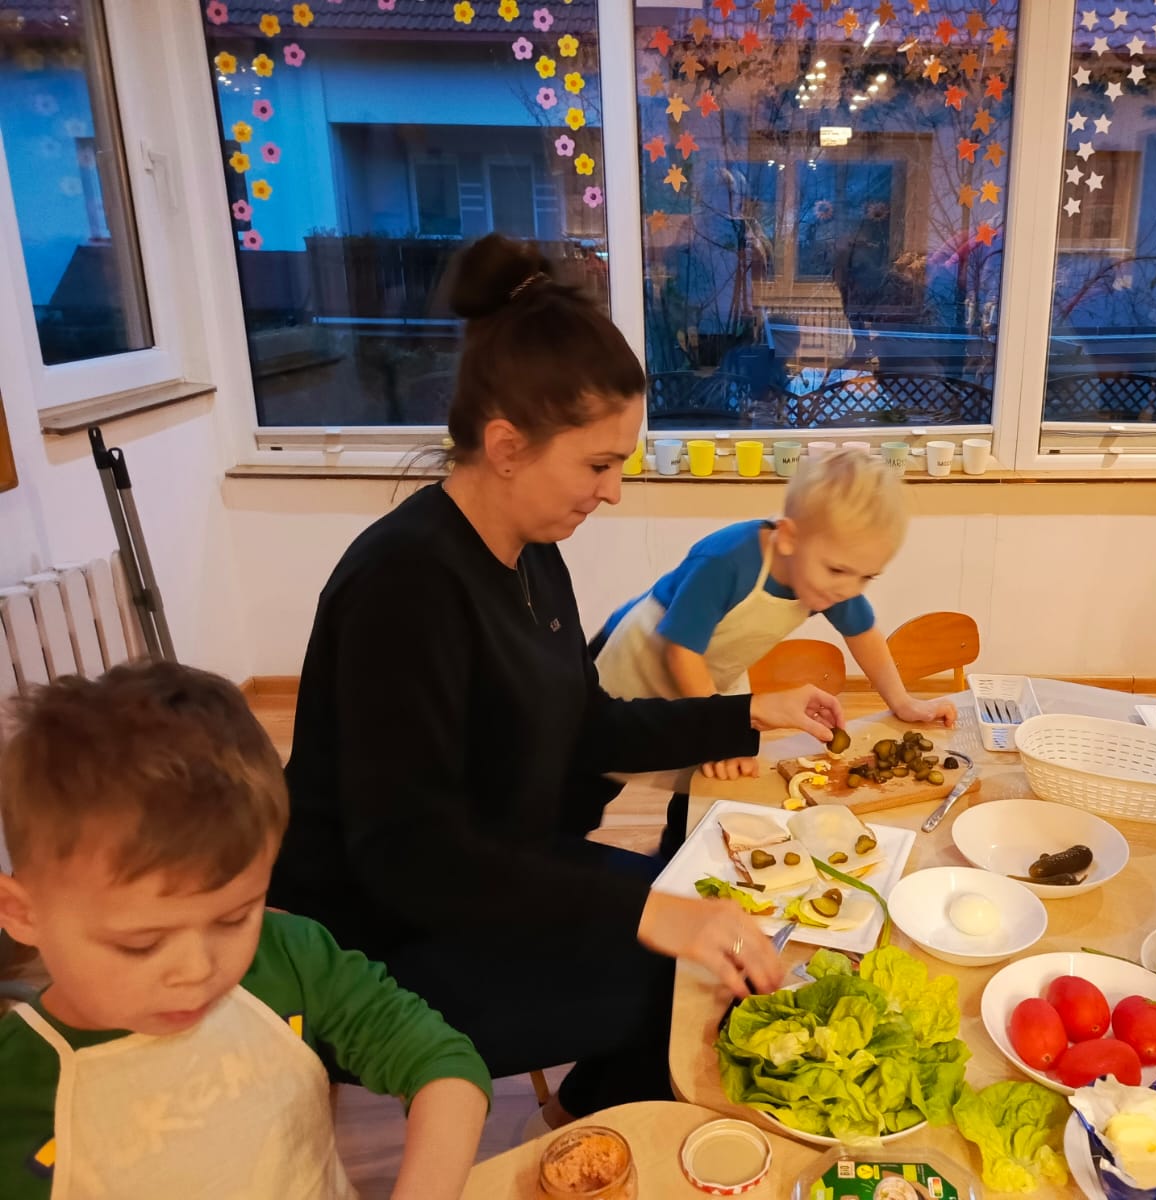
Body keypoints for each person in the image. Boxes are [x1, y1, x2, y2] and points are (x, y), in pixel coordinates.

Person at [270, 234, 836, 1125]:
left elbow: (585, 724)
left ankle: (587, 1119)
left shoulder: (530, 553)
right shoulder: (403, 586)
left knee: (696, 913)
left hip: (493, 875)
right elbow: (409, 857)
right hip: (379, 944)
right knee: (685, 974)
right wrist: (648, 915)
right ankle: (603, 1141)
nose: (613, 492)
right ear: (506, 446)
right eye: (599, 465)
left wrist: (747, 712)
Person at [0, 663, 491, 1200]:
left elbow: (441, 1063)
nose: (198, 969)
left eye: (234, 917)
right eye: (141, 944)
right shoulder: (16, 1094)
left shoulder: (290, 959)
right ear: (23, 913)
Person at [594, 447, 958, 785]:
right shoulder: (726, 561)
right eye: (838, 571)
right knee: (599, 768)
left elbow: (863, 632)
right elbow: (681, 652)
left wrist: (902, 702)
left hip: (710, 678)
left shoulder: (827, 574)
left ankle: (681, 832)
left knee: (708, 777)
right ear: (787, 539)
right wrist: (719, 734)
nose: (849, 590)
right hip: (638, 664)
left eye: (867, 577)